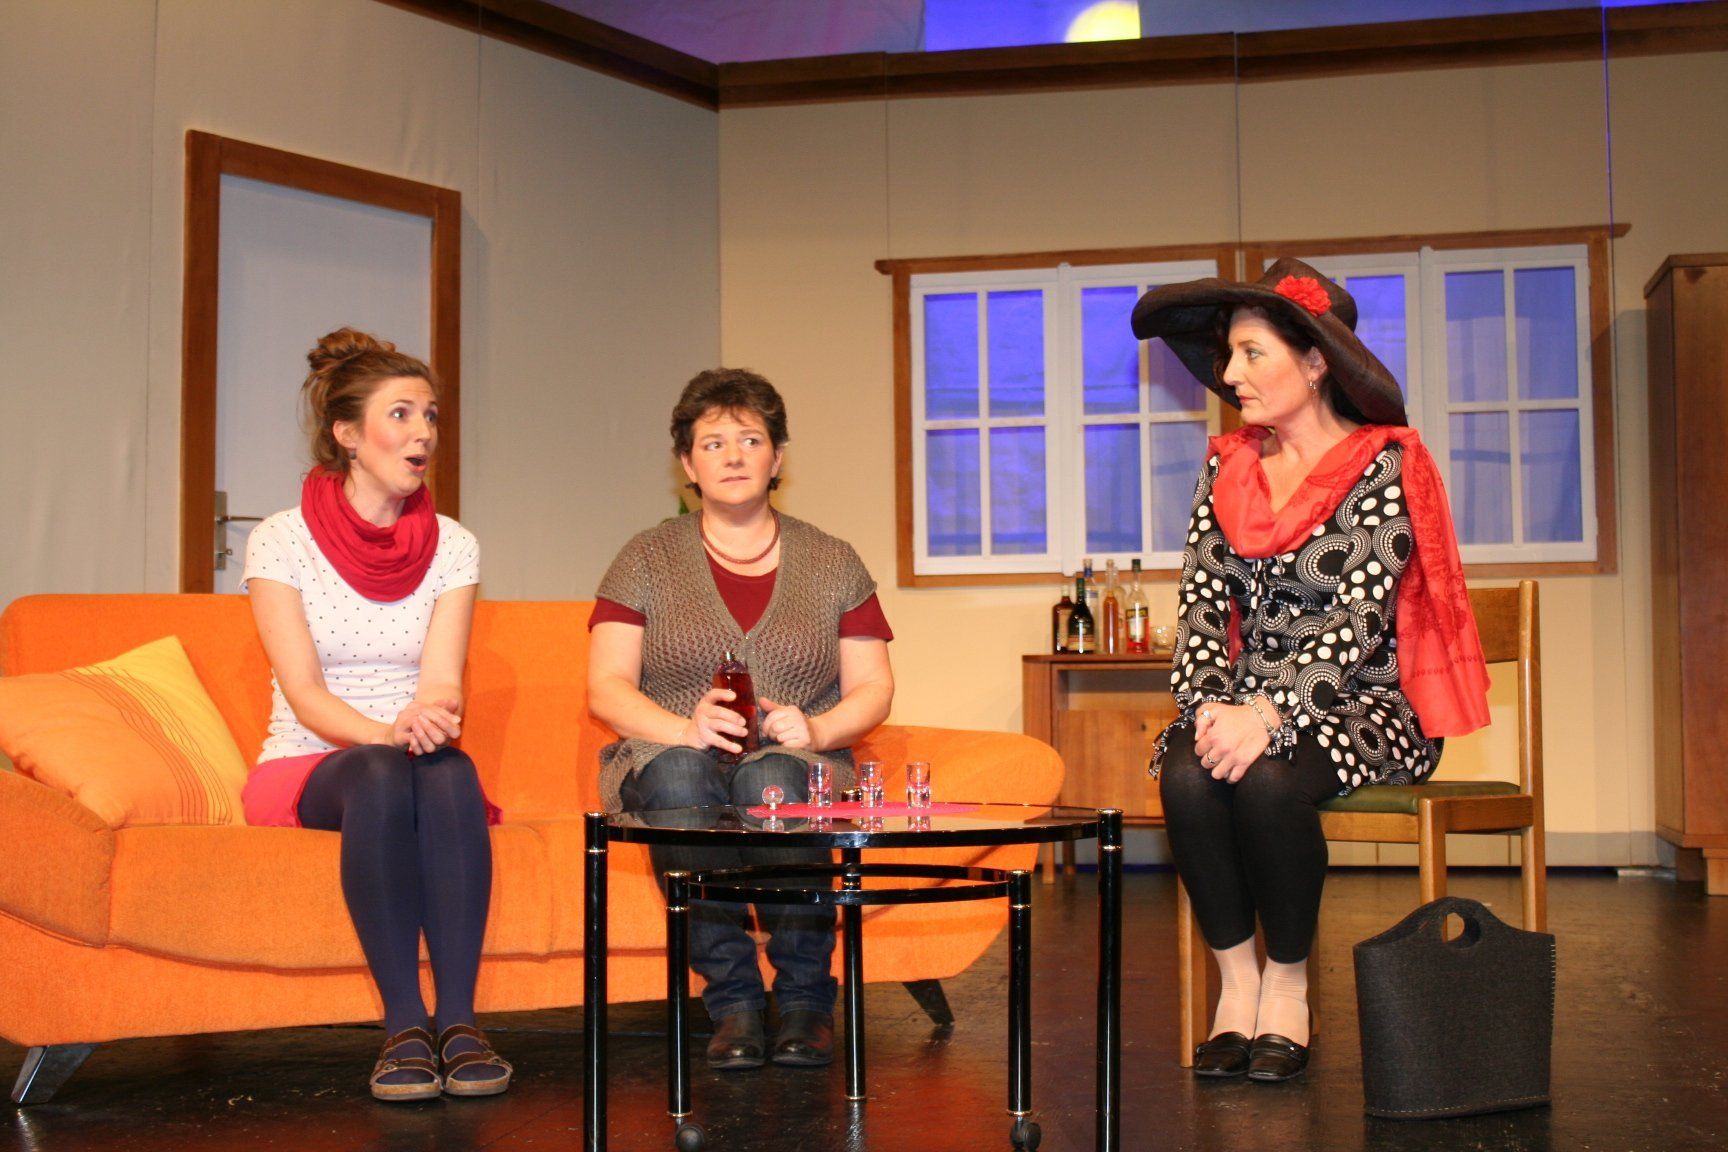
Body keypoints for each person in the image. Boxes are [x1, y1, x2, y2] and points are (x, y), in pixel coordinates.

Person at [1131, 260, 1491, 1082]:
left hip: (1364, 701)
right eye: (1228, 354)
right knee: (1185, 771)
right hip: (1243, 700)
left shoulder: (1382, 466)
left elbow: (1358, 620)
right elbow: (1200, 607)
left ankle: (1288, 987)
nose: (1230, 374)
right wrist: (1211, 707)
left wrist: (1270, 714)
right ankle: (1238, 987)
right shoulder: (1227, 468)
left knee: (1268, 780)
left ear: (1316, 362)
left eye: (1252, 353)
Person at [588, 367, 895, 1071]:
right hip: (664, 752)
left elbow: (874, 687)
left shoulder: (833, 560)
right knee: (681, 776)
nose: (732, 456)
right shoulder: (644, 559)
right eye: (713, 443)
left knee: (775, 779)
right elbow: (605, 687)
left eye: (750, 440)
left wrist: (818, 730)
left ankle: (806, 1002)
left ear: (777, 457)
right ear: (687, 463)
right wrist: (683, 730)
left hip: (799, 757)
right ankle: (732, 1003)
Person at [241, 328, 511, 1101]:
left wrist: (432, 714)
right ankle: (402, 1026)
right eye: (400, 415)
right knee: (382, 772)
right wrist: (388, 734)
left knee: (451, 770)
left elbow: (442, 679)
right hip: (310, 760)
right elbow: (304, 693)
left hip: (411, 751)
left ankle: (458, 1023)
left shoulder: (453, 545)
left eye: (430, 415)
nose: (423, 432)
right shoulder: (280, 541)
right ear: (347, 435)